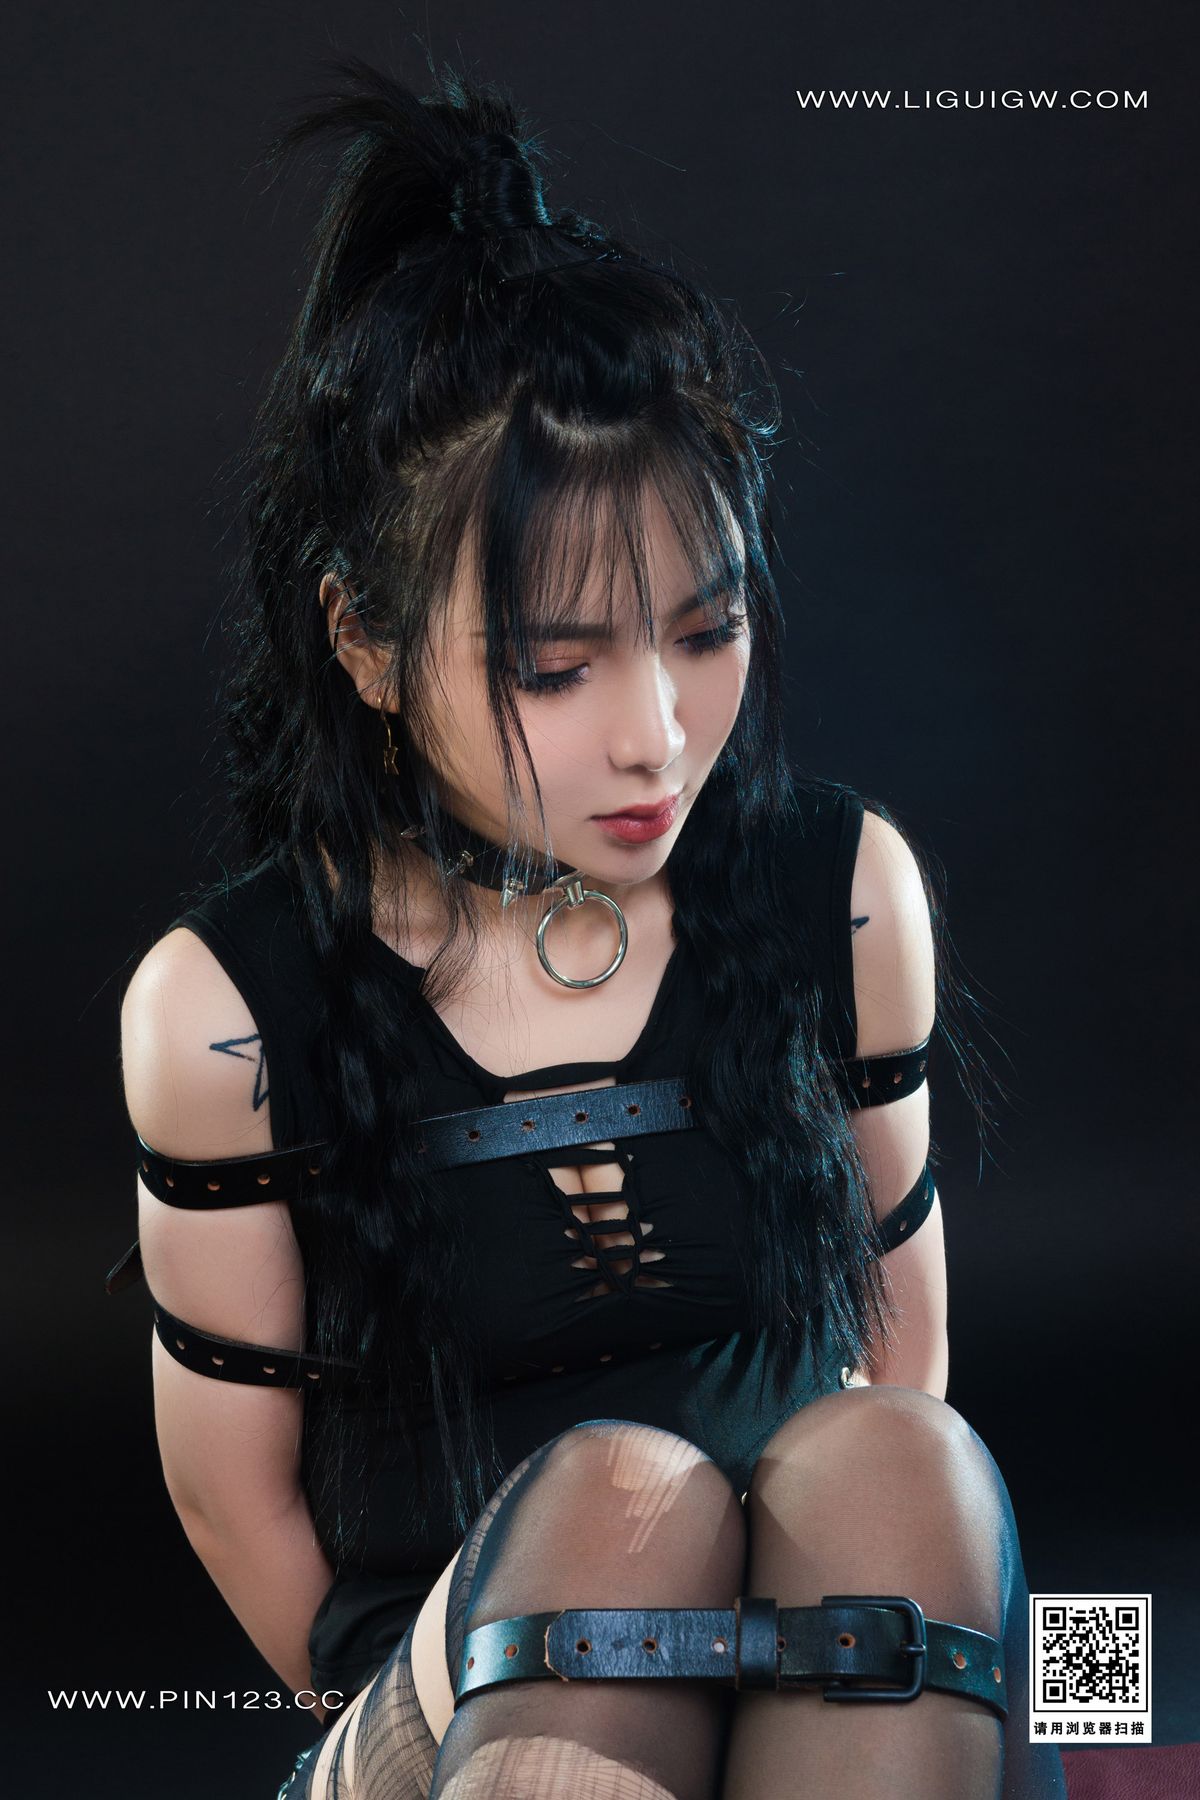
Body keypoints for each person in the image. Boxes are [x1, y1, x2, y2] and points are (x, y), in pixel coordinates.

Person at [107, 55, 1067, 1800]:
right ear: (365, 646)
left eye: (705, 632)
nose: (660, 737)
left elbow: (906, 1344)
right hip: (454, 1703)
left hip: (802, 1679)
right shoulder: (227, 1010)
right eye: (558, 668)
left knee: (898, 1459)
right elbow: (231, 1501)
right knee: (625, 1502)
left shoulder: (846, 887)